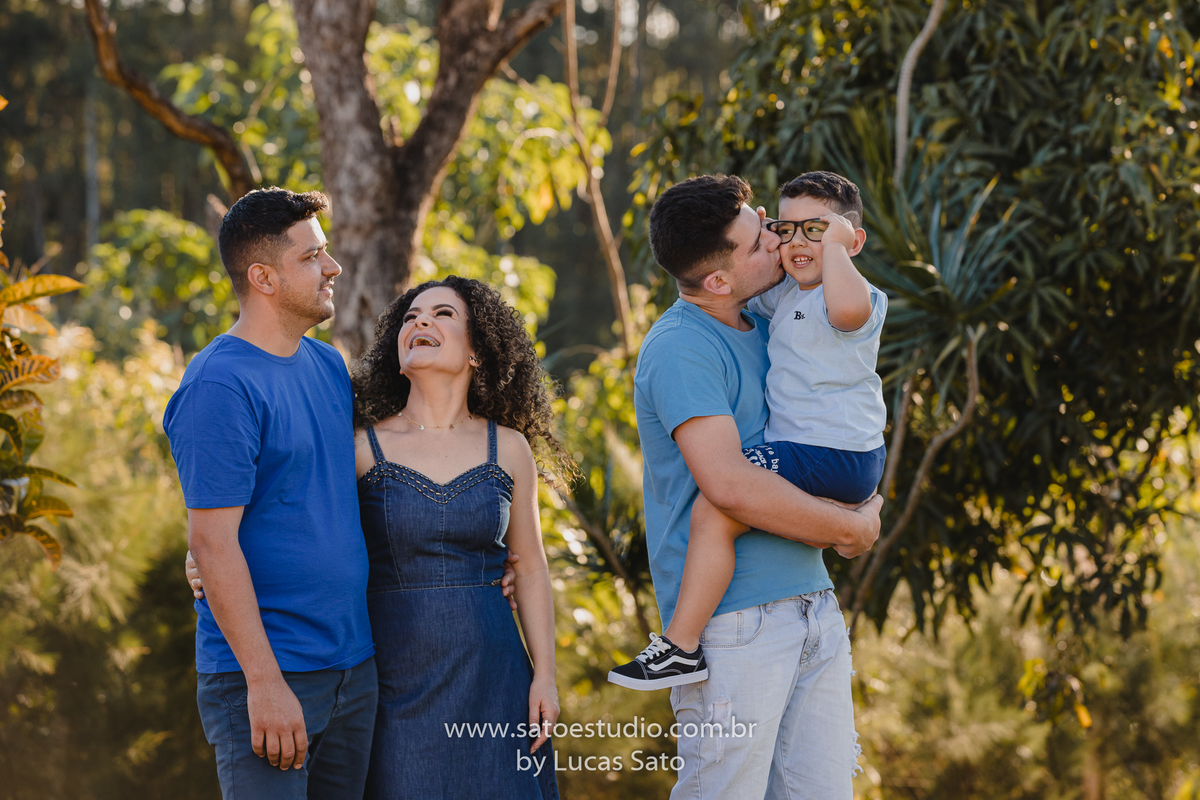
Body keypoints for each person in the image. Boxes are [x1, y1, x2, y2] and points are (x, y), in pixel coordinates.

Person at [611, 174, 882, 799]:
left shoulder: (773, 323)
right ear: (717, 281)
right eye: (760, 239)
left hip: (813, 604)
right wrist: (853, 527)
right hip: (735, 625)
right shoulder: (681, 348)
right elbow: (729, 486)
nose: (779, 240)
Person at [163, 187, 378, 798]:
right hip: (269, 675)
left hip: (353, 668)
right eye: (311, 257)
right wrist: (263, 682)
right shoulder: (219, 385)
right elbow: (213, 543)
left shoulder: (328, 367)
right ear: (262, 277)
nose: (332, 267)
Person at [350, 276, 563, 799]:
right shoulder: (359, 447)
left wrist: (545, 676)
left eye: (443, 314)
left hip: (495, 675)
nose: (420, 320)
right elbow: (312, 535)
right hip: (393, 677)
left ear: (477, 351)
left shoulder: (509, 448)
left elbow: (530, 566)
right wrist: (210, 559)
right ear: (398, 355)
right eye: (410, 317)